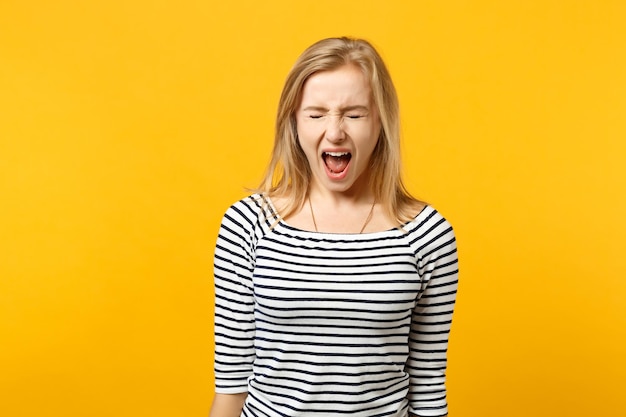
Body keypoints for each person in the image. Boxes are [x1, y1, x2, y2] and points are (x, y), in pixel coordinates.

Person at [210, 37, 458, 417]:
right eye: (316, 114)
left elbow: (428, 390)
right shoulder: (248, 225)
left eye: (354, 114)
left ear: (381, 122)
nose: (335, 131)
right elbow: (230, 386)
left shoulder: (426, 234)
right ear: (294, 122)